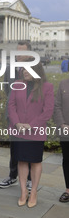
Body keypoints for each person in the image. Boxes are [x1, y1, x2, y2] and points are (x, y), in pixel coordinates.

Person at [8, 61, 54, 208]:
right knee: (21, 161)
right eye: (23, 69)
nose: (24, 72)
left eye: (27, 70)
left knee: (35, 161)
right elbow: (11, 105)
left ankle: (33, 191)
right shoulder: (17, 84)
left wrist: (30, 125)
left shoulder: (47, 87)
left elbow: (47, 111)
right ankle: (23, 192)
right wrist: (17, 123)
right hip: (18, 130)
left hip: (35, 131)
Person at [0, 41, 32, 190]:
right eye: (17, 51)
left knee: (30, 146)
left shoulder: (34, 69)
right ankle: (13, 176)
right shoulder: (9, 68)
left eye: (22, 52)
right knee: (14, 147)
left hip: (30, 116)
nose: (18, 55)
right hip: (13, 114)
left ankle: (30, 179)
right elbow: (7, 89)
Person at [52, 74, 69, 203]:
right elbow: (57, 106)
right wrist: (62, 124)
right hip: (66, 130)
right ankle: (68, 189)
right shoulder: (63, 84)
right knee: (67, 160)